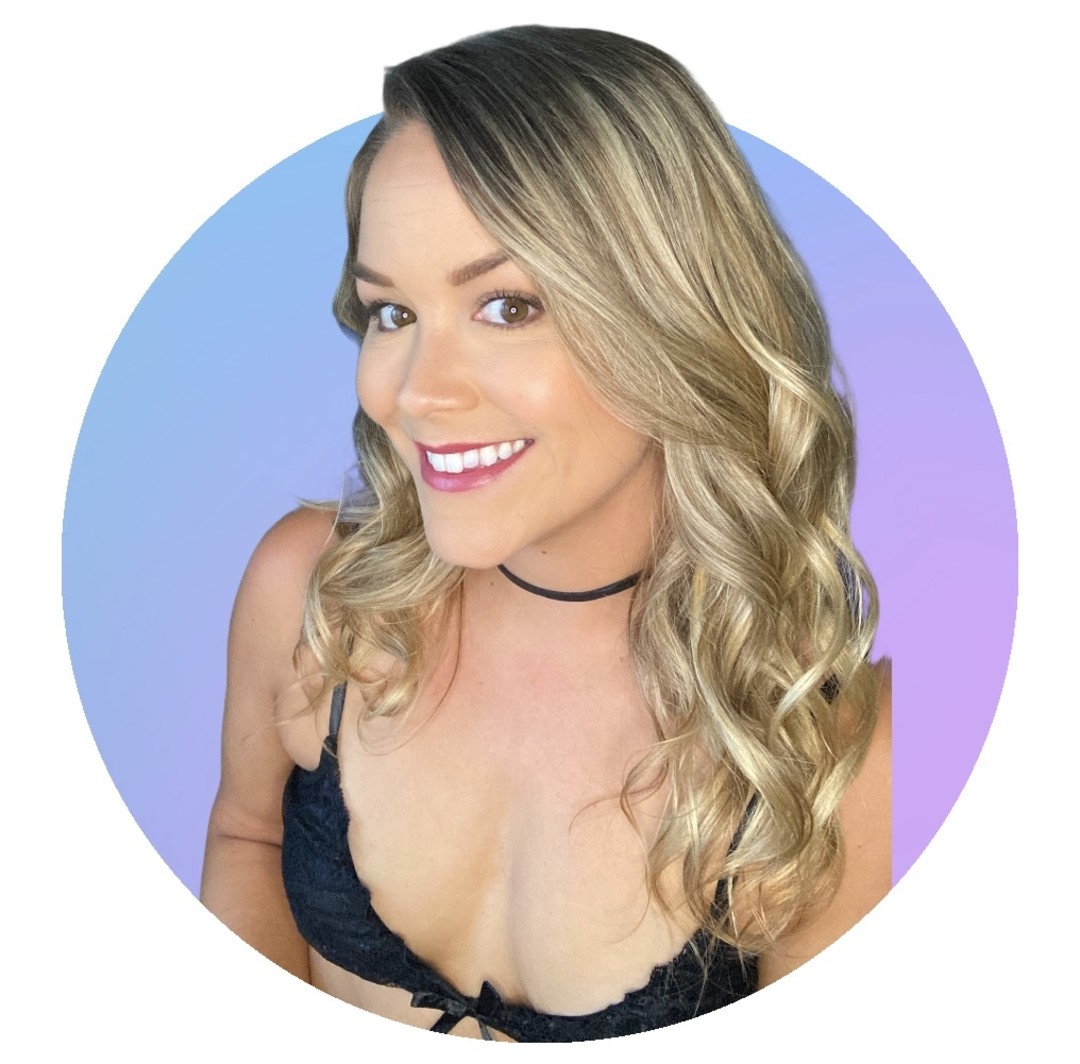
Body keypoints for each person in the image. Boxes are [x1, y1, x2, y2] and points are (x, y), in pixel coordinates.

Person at [201, 25, 891, 1042]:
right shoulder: (315, 595)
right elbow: (247, 837)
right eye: (392, 314)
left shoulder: (816, 741)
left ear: (673, 313)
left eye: (507, 305)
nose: (417, 393)